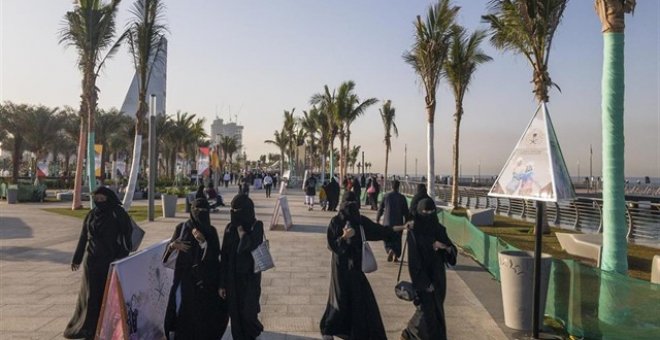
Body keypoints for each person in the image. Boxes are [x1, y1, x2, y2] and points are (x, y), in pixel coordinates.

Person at [320, 192, 406, 340]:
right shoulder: (337, 222)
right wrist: (344, 237)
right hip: (341, 269)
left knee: (356, 300)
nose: (351, 208)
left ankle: (352, 331)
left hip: (354, 268)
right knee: (341, 299)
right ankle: (329, 329)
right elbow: (332, 245)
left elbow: (381, 231)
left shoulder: (359, 222)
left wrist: (401, 228)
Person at [64, 187, 132, 339]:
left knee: (106, 295)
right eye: (97, 199)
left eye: (103, 199)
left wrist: (122, 256)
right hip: (91, 261)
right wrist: (77, 259)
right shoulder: (91, 215)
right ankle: (87, 327)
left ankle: (105, 326)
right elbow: (83, 237)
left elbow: (128, 235)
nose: (100, 202)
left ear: (109, 198)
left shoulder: (117, 213)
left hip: (109, 260)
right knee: (90, 295)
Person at [163, 198, 228, 340]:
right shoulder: (181, 228)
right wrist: (173, 246)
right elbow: (167, 256)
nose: (200, 213)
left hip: (205, 283)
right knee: (183, 316)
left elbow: (215, 256)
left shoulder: (211, 231)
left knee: (203, 319)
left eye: (204, 210)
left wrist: (203, 242)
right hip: (184, 280)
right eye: (197, 210)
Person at [401, 198, 457, 340]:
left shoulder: (439, 229)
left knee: (436, 310)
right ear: (419, 211)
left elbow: (451, 250)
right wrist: (425, 283)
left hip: (438, 277)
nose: (429, 214)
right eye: (425, 211)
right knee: (425, 310)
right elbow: (414, 260)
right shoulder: (414, 232)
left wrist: (443, 247)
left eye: (432, 211)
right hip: (422, 278)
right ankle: (410, 332)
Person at [219, 194, 265, 340]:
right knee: (235, 316)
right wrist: (222, 284)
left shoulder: (256, 226)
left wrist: (240, 229)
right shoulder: (229, 228)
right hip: (232, 280)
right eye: (232, 210)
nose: (233, 213)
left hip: (250, 279)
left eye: (236, 210)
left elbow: (247, 245)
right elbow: (224, 257)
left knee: (248, 315)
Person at [377, 180, 409, 262]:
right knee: (397, 239)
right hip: (398, 222)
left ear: (391, 186)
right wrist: (407, 222)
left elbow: (380, 209)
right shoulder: (402, 197)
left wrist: (378, 219)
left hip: (387, 221)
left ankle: (390, 250)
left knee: (387, 238)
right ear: (399, 187)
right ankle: (396, 255)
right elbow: (406, 211)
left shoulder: (386, 196)